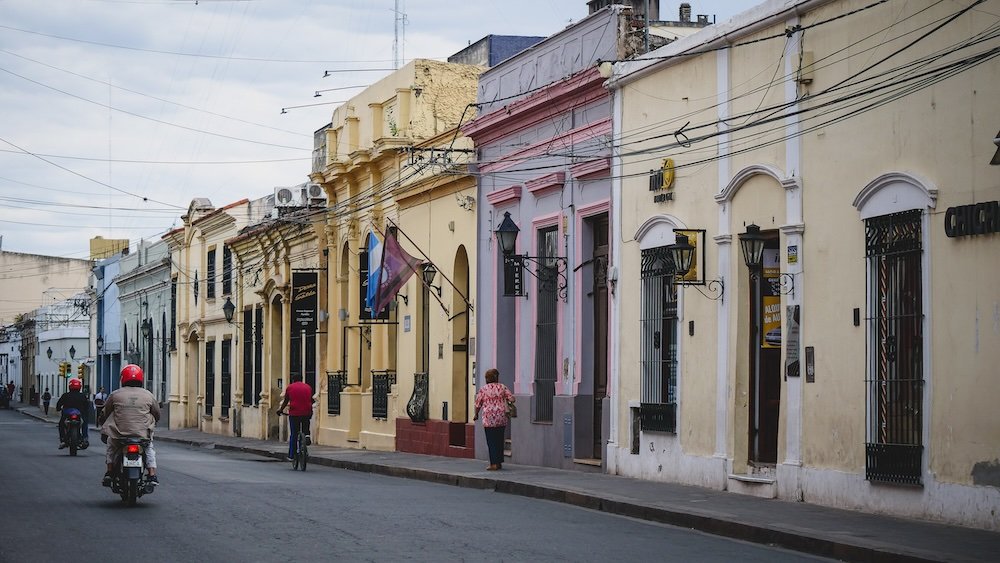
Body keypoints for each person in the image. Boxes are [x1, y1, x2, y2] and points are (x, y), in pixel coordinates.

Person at [99, 364, 160, 487]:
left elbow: (105, 412)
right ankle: (152, 474)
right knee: (149, 450)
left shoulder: (115, 394)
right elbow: (157, 413)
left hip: (119, 435)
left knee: (111, 447)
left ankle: (109, 472)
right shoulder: (148, 395)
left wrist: (103, 423)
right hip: (142, 435)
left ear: (123, 378)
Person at [473, 368, 515, 471]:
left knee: (491, 441)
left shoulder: (484, 389)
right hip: (501, 417)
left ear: (487, 378)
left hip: (489, 418)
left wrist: (476, 414)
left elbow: (478, 404)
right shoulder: (502, 387)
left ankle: (493, 464)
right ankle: (499, 462)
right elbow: (512, 398)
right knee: (500, 440)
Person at [276, 374, 314, 460]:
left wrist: (280, 410)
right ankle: (307, 435)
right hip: (307, 411)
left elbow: (286, 401)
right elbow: (310, 400)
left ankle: (292, 455)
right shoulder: (308, 387)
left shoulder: (290, 388)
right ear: (301, 379)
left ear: (293, 380)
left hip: (295, 413)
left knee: (294, 434)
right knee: (305, 425)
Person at [56, 378, 90, 448]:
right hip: (79, 414)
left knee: (61, 424)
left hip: (67, 414)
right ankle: (85, 437)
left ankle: (62, 439)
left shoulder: (65, 395)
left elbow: (59, 404)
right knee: (85, 423)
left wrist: (58, 409)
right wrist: (86, 411)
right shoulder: (82, 396)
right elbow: (87, 406)